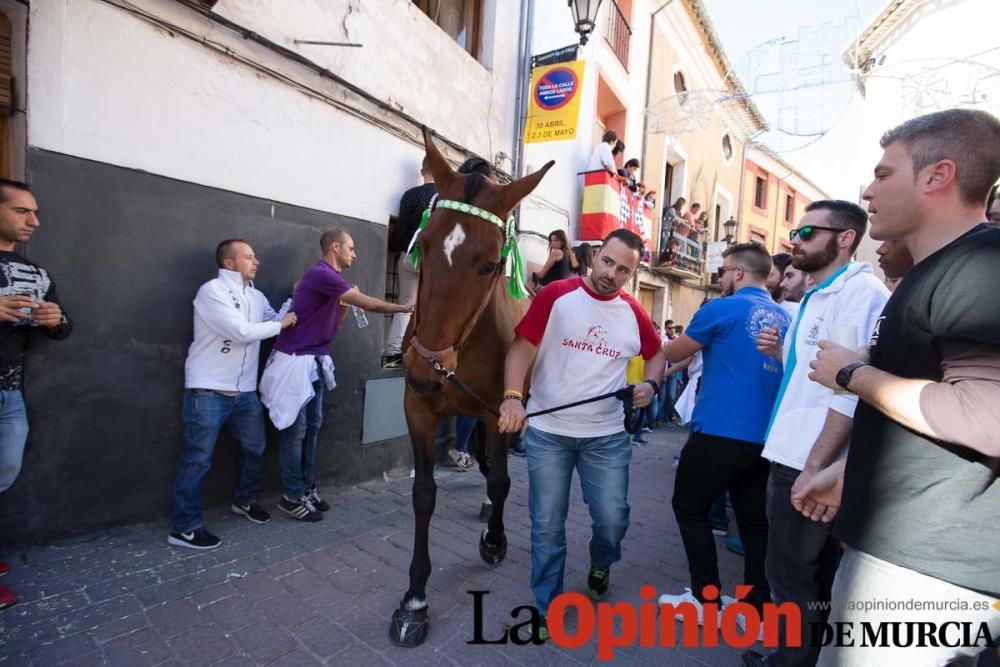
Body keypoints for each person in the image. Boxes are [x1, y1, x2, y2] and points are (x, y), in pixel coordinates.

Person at [806, 109, 1000, 666]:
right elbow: (929, 397)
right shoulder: (936, 270)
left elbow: (984, 414)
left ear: (937, 176)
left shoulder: (982, 265)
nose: (868, 190)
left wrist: (851, 374)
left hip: (926, 579)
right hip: (902, 559)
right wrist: (849, 474)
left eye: (884, 174)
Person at [498, 229, 664, 637]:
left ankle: (600, 563)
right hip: (548, 432)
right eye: (607, 261)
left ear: (633, 273)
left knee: (612, 521)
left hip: (606, 437)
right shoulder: (557, 295)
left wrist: (652, 385)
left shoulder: (633, 312)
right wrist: (513, 397)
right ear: (596, 255)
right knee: (547, 525)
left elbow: (656, 354)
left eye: (623, 269)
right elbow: (520, 349)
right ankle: (547, 605)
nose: (611, 273)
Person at [744, 201, 889, 667]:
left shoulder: (858, 293)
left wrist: (815, 466)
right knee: (805, 576)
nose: (794, 240)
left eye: (806, 231)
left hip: (808, 461)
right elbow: (816, 377)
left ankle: (789, 663)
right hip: (798, 452)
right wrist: (782, 350)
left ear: (845, 238)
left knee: (788, 576)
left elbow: (850, 387)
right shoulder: (817, 294)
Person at [658, 242, 790, 626]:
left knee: (689, 508)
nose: (719, 278)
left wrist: (654, 345)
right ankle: (756, 606)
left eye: (722, 271)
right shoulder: (784, 316)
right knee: (753, 521)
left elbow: (674, 351)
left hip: (719, 431)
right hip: (764, 437)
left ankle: (706, 600)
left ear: (738, 273)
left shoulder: (722, 308)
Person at [261, 229, 412, 522]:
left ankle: (306, 487)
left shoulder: (331, 282)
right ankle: (291, 496)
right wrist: (402, 308)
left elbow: (332, 327)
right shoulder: (322, 274)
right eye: (351, 248)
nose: (355, 254)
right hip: (294, 363)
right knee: (296, 433)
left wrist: (345, 303)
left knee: (312, 429)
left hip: (313, 362)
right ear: (335, 247)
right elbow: (368, 303)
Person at [168, 239, 297, 550]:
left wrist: (297, 296)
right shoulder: (211, 291)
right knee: (198, 460)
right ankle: (185, 527)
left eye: (255, 256)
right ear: (229, 263)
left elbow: (273, 318)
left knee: (256, 449)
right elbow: (240, 331)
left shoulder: (255, 295)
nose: (257, 262)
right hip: (208, 391)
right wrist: (281, 325)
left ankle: (245, 501)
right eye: (249, 257)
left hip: (244, 393)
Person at [0, 179, 72, 609]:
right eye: (21, 211)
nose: (34, 221)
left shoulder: (37, 273)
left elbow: (65, 328)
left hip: (10, 395)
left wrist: (54, 320)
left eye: (35, 212)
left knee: (4, 476)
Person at [384, 156, 436, 368]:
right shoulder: (448, 199)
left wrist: (395, 248)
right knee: (432, 307)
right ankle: (425, 353)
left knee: (406, 304)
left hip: (408, 256)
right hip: (434, 263)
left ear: (422, 172)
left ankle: (393, 354)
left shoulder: (411, 195)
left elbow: (402, 229)